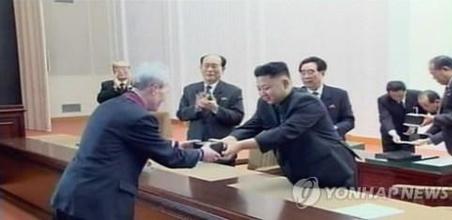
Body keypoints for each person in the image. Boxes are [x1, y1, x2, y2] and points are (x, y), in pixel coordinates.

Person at [51, 63, 221, 220]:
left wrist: (175, 145)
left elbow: (130, 141)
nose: (164, 100)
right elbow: (170, 158)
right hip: (99, 204)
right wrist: (201, 154)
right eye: (164, 94)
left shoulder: (111, 105)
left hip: (73, 195)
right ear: (154, 88)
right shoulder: (139, 117)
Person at [220, 61, 357, 187]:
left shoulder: (308, 102)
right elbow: (253, 125)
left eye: (266, 88)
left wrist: (240, 145)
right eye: (259, 89)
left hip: (330, 169)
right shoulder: (265, 103)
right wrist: (231, 139)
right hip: (297, 170)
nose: (262, 93)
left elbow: (285, 132)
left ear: (285, 83)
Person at [176, 54, 244, 166]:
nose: (210, 70)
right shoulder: (190, 89)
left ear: (222, 69)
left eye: (214, 66)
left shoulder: (233, 91)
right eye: (206, 66)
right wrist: (196, 108)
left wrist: (216, 108)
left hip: (220, 147)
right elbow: (181, 114)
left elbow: (237, 118)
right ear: (200, 68)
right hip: (195, 146)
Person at [420, 55, 452, 185]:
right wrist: (429, 138)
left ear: (444, 69)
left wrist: (433, 119)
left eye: (434, 74)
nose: (434, 78)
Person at [297, 56, 355, 139]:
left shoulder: (339, 94)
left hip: (331, 141)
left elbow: (349, 121)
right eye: (303, 73)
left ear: (322, 73)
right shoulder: (295, 95)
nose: (306, 76)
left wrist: (334, 129)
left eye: (310, 72)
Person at [377, 81, 425, 152]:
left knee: (410, 154)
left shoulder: (417, 95)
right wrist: (393, 133)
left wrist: (414, 125)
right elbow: (385, 117)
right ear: (389, 93)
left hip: (411, 131)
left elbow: (423, 111)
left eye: (400, 96)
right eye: (393, 96)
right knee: (390, 156)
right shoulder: (382, 100)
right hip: (390, 131)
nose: (397, 99)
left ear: (405, 91)